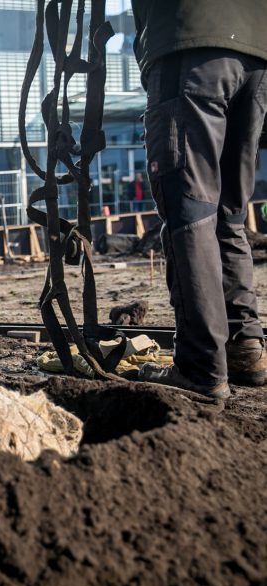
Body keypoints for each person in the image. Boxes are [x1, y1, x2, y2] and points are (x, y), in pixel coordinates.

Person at [132, 2, 267, 399]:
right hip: (257, 54)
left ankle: (200, 368)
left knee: (190, 213)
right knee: (229, 214)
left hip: (190, 44)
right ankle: (246, 347)